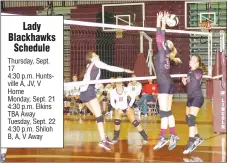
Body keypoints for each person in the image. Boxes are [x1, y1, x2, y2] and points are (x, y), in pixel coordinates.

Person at [79, 52, 134, 150]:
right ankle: (103, 140)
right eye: (96, 55)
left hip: (83, 93)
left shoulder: (89, 66)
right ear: (92, 58)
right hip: (88, 91)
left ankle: (104, 137)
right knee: (100, 118)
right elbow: (110, 68)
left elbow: (90, 81)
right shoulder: (95, 63)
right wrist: (124, 70)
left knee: (99, 117)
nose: (98, 56)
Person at [153, 11, 182, 150]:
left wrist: (160, 20)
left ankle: (164, 137)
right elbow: (161, 35)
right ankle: (171, 135)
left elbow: (159, 34)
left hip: (164, 83)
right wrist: (163, 21)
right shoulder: (164, 52)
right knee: (167, 111)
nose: (166, 40)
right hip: (168, 83)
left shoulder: (163, 50)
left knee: (164, 111)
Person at [109, 79, 148, 144]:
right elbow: (112, 102)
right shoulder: (112, 92)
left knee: (135, 122)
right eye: (117, 83)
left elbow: (133, 97)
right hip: (119, 108)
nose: (118, 85)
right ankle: (115, 138)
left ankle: (145, 137)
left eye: (120, 83)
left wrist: (129, 105)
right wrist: (117, 108)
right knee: (116, 121)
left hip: (127, 107)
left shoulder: (126, 89)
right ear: (115, 84)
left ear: (122, 83)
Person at [182, 55, 205, 154]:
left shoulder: (198, 71)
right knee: (188, 118)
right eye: (190, 58)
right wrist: (185, 81)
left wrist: (188, 78)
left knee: (191, 118)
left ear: (197, 63)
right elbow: (190, 83)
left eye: (193, 59)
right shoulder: (189, 71)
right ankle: (197, 137)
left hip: (197, 98)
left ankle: (191, 143)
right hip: (190, 98)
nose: (190, 60)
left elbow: (198, 76)